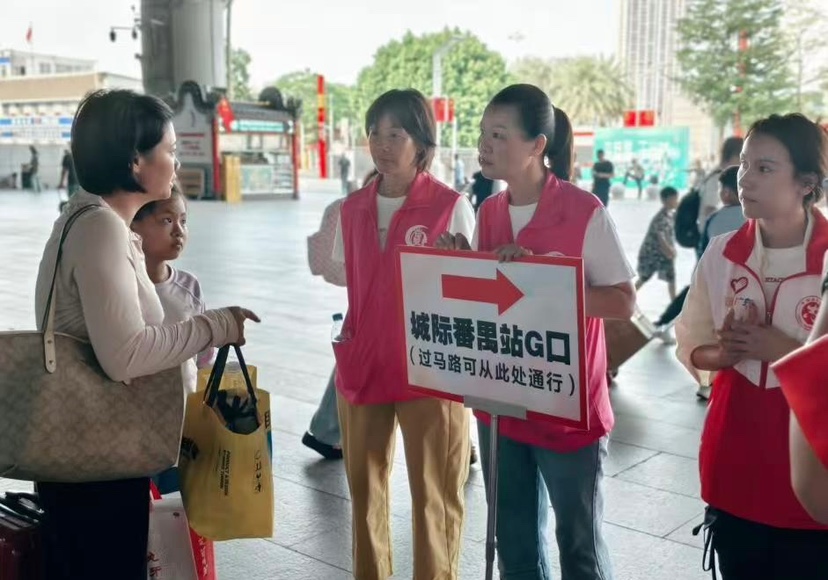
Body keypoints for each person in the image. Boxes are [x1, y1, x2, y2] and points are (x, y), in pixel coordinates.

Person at [33, 89, 260, 580]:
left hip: (93, 451)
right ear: (136, 161)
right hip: (96, 460)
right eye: (170, 150)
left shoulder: (93, 219)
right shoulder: (100, 228)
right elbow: (125, 354)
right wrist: (213, 326)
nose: (176, 163)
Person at [438, 84, 635, 580]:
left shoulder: (584, 210)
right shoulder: (489, 212)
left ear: (537, 145)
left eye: (498, 135)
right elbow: (491, 305)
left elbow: (622, 301)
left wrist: (545, 280)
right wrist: (464, 264)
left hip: (567, 408)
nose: (484, 145)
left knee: (579, 545)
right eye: (483, 133)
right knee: (514, 540)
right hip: (503, 402)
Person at [675, 113, 828, 579]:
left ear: (806, 183)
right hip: (734, 457)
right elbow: (691, 342)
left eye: (764, 168)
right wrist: (720, 355)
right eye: (743, 165)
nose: (745, 179)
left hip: (811, 468)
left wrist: (782, 349)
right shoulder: (722, 252)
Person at [332, 88, 474, 580]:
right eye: (375, 133)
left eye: (396, 134)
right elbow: (347, 274)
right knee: (364, 491)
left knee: (435, 493)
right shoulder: (352, 208)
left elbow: (474, 287)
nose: (383, 145)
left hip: (429, 369)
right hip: (364, 362)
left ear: (422, 143)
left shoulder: (450, 206)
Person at [131, 183, 214, 493]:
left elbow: (203, 358)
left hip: (182, 421)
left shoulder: (189, 286)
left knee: (177, 501)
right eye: (166, 221)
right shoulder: (123, 288)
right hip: (135, 424)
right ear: (133, 227)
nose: (179, 231)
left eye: (183, 220)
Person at [636, 186, 679, 301]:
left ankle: (674, 302)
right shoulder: (661, 218)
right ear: (665, 200)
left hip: (663, 254)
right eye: (674, 199)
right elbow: (661, 238)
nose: (676, 201)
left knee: (671, 277)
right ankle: (628, 297)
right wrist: (670, 250)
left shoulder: (670, 215)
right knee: (644, 277)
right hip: (652, 253)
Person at [697, 137, 744, 239]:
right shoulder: (716, 178)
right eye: (742, 157)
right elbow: (709, 209)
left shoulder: (732, 175)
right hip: (714, 236)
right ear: (733, 155)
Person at [698, 165, 745, 255]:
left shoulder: (714, 219)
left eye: (720, 188)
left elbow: (704, 253)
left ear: (726, 192)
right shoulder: (759, 217)